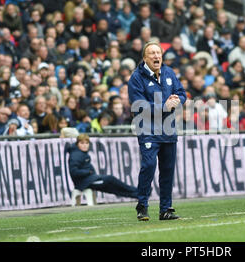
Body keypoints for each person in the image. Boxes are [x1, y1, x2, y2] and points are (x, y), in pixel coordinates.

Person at [128, 41, 186, 221]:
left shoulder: (169, 73)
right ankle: (142, 204)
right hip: (148, 129)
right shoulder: (136, 78)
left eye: (158, 53)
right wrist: (164, 105)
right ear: (145, 57)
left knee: (167, 170)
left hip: (168, 130)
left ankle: (165, 209)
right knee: (149, 165)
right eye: (152, 53)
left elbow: (182, 93)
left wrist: (178, 100)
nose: (156, 56)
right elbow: (138, 106)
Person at [67, 134, 138, 199]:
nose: (85, 145)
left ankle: (136, 194)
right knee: (110, 179)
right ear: (77, 144)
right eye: (82, 143)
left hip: (89, 179)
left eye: (87, 143)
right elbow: (74, 172)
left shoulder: (81, 153)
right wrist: (88, 172)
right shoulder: (76, 155)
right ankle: (136, 191)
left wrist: (89, 173)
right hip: (83, 183)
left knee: (111, 188)